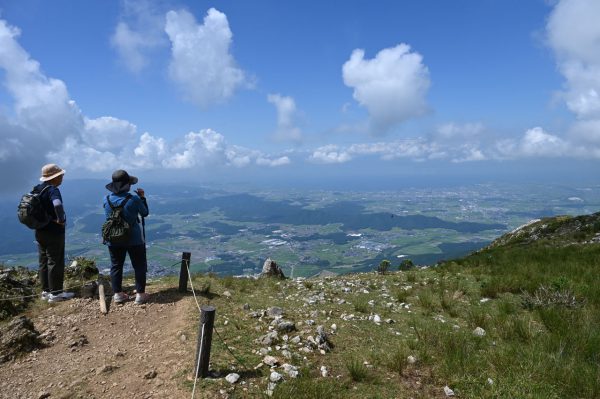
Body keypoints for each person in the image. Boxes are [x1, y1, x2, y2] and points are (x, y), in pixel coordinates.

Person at [103, 170, 149, 304]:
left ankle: (118, 294)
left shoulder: (106, 199)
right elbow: (145, 213)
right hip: (134, 238)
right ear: (127, 185)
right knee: (139, 265)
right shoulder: (133, 199)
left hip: (113, 237)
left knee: (116, 265)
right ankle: (140, 294)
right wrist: (142, 198)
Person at [35, 164, 74, 302]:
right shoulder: (53, 190)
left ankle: (46, 291)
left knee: (43, 261)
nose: (62, 177)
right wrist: (61, 219)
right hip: (54, 232)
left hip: (40, 230)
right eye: (61, 175)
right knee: (55, 261)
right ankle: (56, 293)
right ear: (55, 177)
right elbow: (57, 204)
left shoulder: (37, 189)